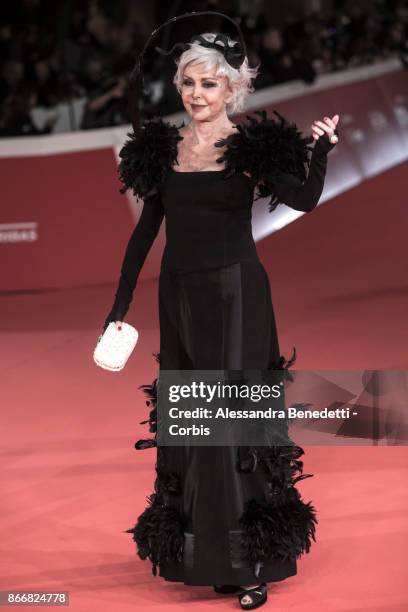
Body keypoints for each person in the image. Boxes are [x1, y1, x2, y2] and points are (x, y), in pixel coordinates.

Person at [101, 13, 339, 610]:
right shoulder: (160, 148)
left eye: (209, 84)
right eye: (188, 83)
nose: (197, 95)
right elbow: (143, 237)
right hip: (179, 296)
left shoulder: (251, 147)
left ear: (232, 89)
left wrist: (323, 148)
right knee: (190, 430)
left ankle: (252, 559)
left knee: (235, 428)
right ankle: (207, 556)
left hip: (237, 294)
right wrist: (118, 311)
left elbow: (305, 199)